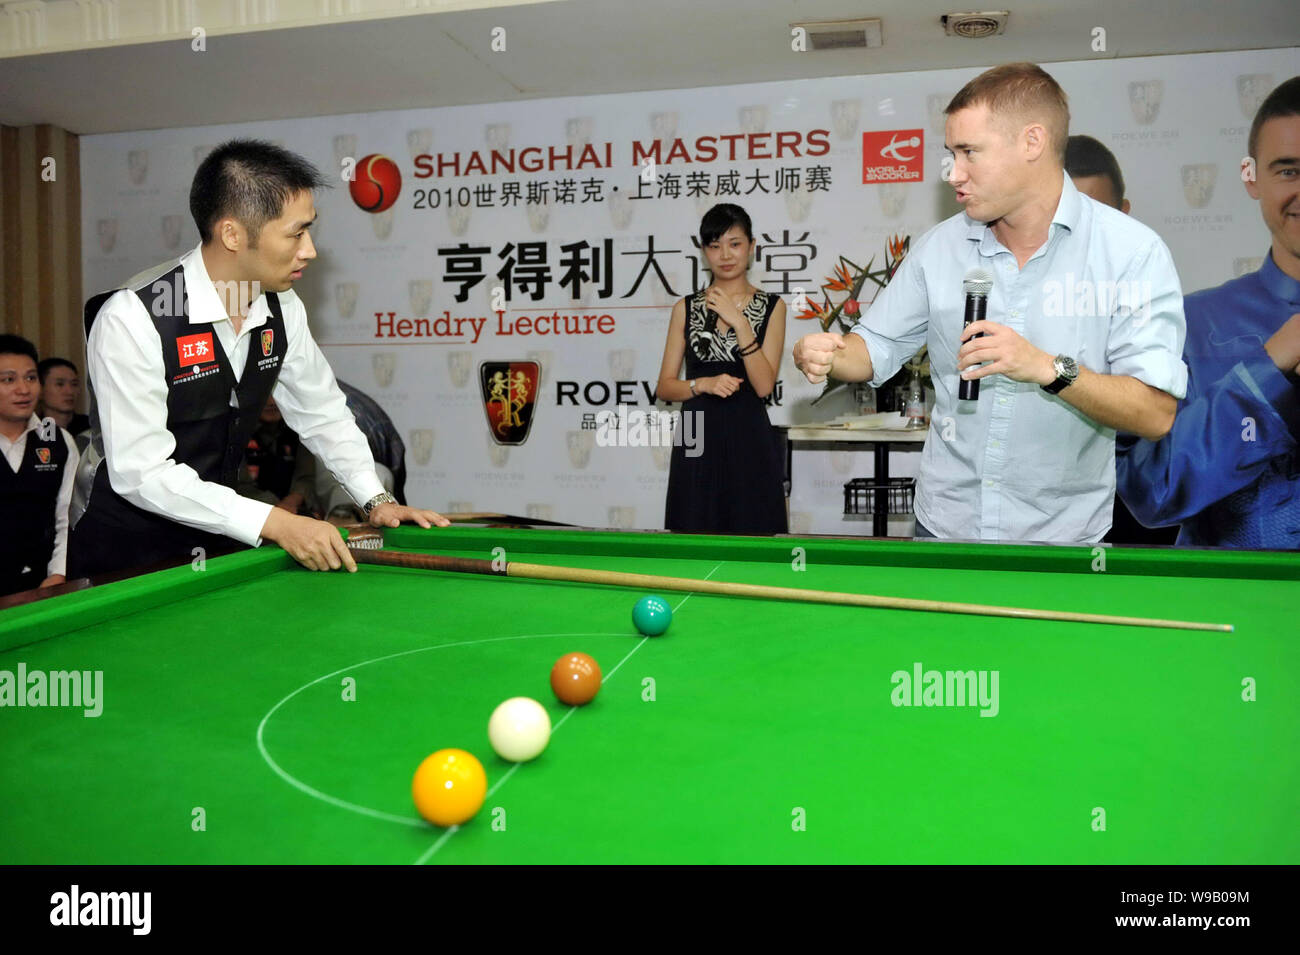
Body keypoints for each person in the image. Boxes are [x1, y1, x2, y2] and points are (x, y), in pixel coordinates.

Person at [792, 62, 1187, 544]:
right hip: (943, 527)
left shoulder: (1131, 253)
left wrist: (1046, 367)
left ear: (1032, 142)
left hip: (1063, 541)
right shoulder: (938, 249)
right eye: (950, 153)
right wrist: (831, 352)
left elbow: (1155, 413)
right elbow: (872, 346)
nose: (953, 173)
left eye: (969, 152)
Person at [70, 139, 447, 580]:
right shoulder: (134, 316)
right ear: (233, 234)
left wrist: (376, 500)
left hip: (218, 537)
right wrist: (276, 523)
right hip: (125, 551)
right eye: (295, 233)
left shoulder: (283, 308)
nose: (310, 250)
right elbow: (141, 472)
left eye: (310, 230)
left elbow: (322, 413)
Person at [1117, 76, 1300, 549]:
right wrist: (1269, 369)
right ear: (1251, 178)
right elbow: (1150, 492)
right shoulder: (1195, 324)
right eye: (1288, 170)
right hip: (1230, 611)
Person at [1064, 134, 1179, 546]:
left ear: (1124, 213)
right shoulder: (1017, 287)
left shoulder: (1147, 276)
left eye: (1100, 213)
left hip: (1139, 498)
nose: (1084, 230)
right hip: (1052, 501)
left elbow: (1157, 415)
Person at [657, 203, 788, 534]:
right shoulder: (684, 308)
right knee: (692, 527)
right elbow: (665, 386)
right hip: (696, 431)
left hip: (749, 431)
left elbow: (763, 387)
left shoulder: (773, 306)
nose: (725, 254)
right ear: (704, 252)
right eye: (714, 246)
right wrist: (701, 384)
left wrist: (741, 323)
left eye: (735, 243)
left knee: (752, 531)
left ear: (752, 247)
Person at [0, 335, 79, 595]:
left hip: (43, 586)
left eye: (31, 378)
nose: (24, 389)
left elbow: (67, 517)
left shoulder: (59, 440)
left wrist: (58, 573)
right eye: (9, 380)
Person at [37, 357, 91, 436]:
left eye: (74, 384)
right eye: (60, 384)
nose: (70, 391)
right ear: (39, 390)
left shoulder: (92, 428)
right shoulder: (31, 431)